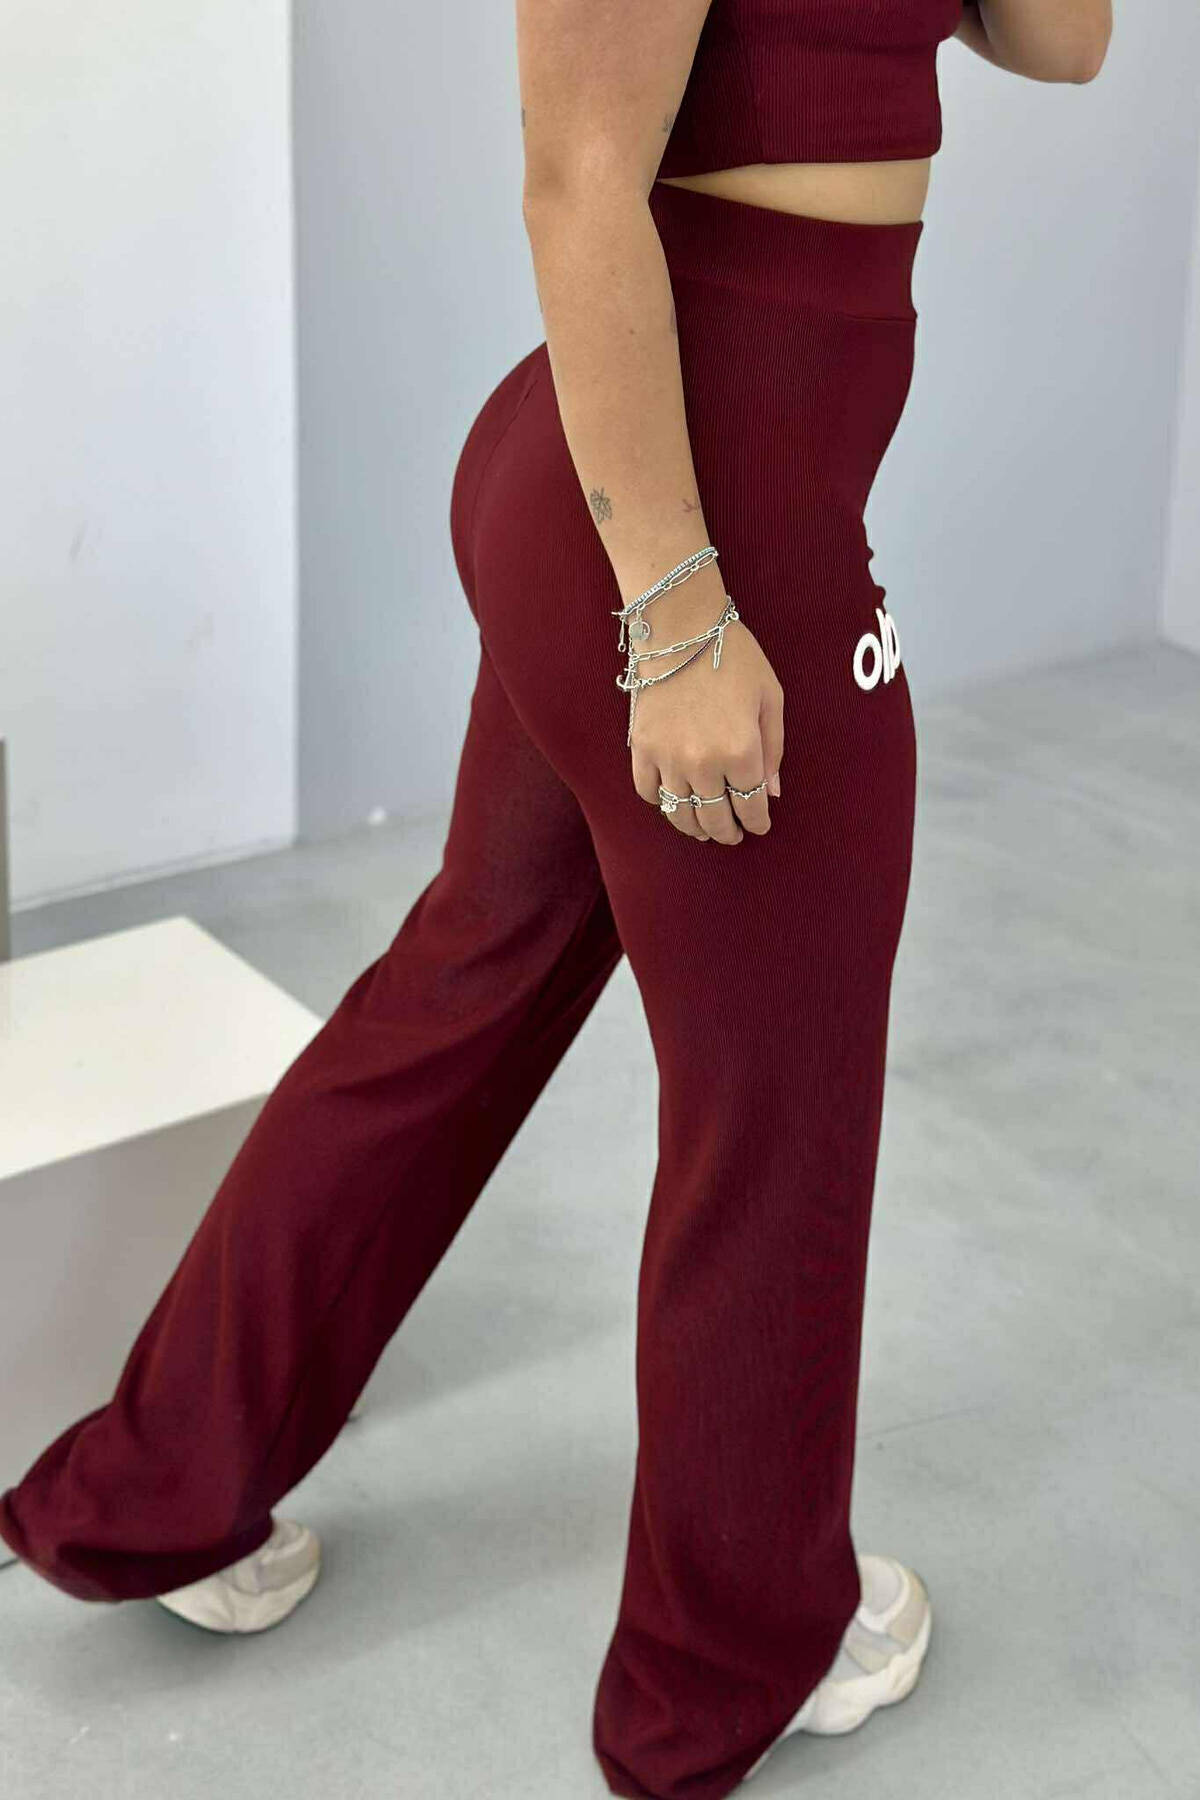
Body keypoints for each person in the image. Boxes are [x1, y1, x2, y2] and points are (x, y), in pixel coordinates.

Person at [0, 2, 1111, 1796]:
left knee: (464, 986)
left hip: (670, 483)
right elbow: (577, 173)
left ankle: (156, 1489)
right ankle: (731, 1659)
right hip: (698, 526)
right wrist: (677, 620)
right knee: (780, 1104)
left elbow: (1069, 44)